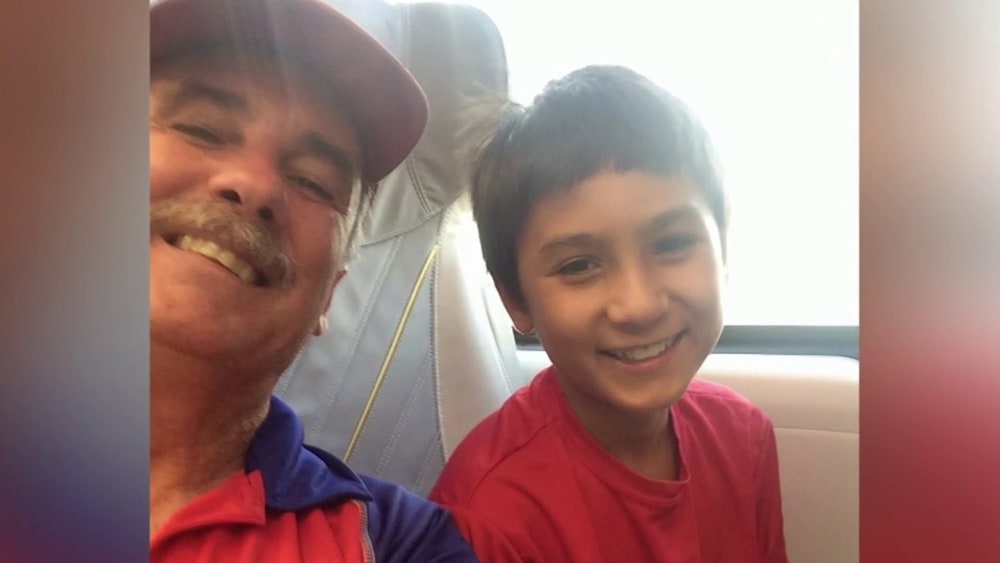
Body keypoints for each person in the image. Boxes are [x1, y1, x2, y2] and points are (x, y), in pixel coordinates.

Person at [149, 0, 482, 560]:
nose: (256, 184)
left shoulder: (397, 544)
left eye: (312, 180)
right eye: (201, 129)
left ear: (331, 293)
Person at [431, 65, 789, 562]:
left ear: (723, 248)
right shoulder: (484, 518)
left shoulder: (742, 436)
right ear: (515, 299)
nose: (638, 305)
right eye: (579, 266)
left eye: (672, 244)